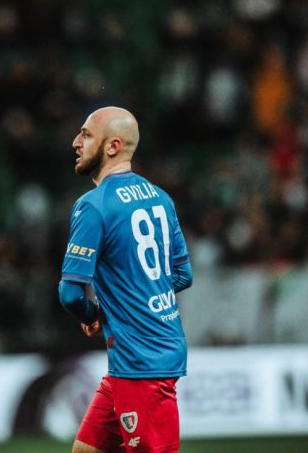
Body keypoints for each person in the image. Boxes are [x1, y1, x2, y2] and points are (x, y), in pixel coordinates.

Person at [58, 106, 193, 453]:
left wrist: (93, 314)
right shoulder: (161, 198)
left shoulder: (94, 205)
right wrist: (132, 301)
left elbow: (70, 293)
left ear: (113, 146)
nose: (76, 142)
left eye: (86, 134)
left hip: (141, 363)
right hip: (144, 355)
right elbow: (182, 275)